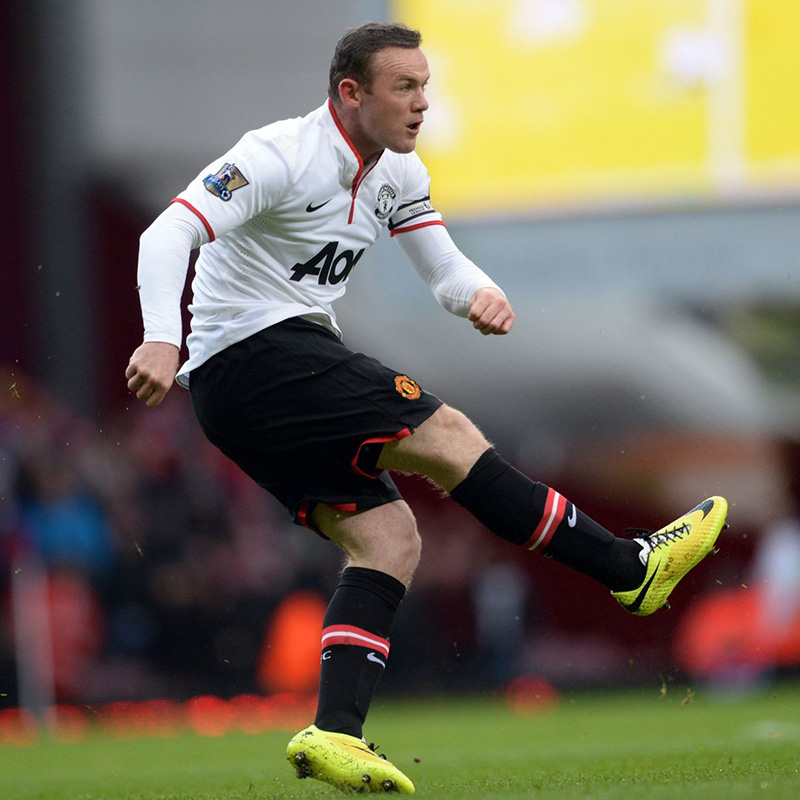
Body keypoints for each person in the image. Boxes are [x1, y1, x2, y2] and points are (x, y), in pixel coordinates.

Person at [125, 21, 728, 795]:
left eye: (426, 86)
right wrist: (159, 337)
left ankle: (335, 733)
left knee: (388, 538)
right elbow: (167, 230)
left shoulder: (397, 174)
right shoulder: (277, 154)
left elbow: (441, 268)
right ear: (351, 92)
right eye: (403, 88)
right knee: (445, 434)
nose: (422, 105)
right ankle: (625, 567)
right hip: (255, 358)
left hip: (248, 392)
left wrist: (476, 293)